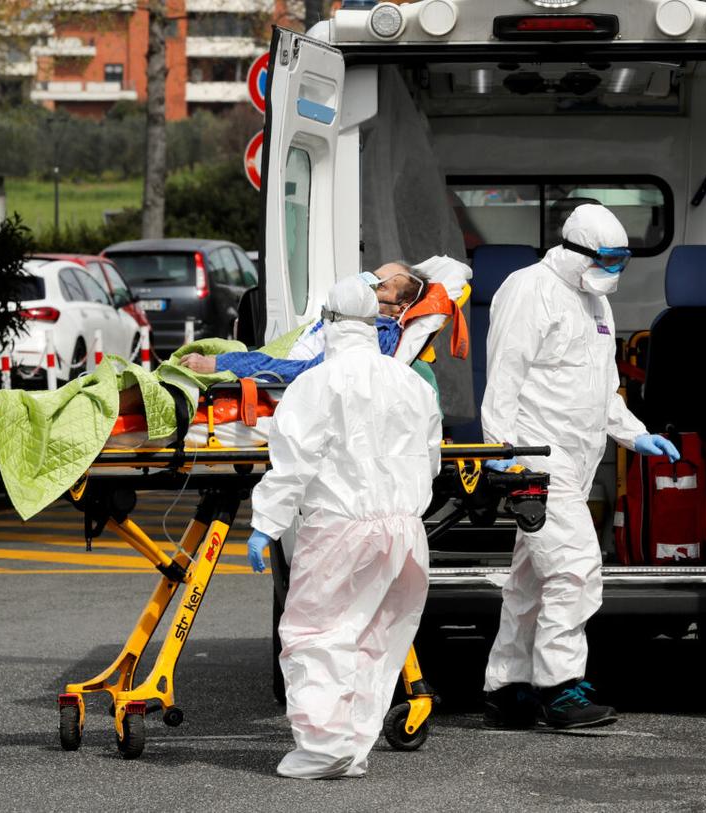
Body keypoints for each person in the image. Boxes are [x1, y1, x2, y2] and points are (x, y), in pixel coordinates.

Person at [480, 204, 679, 731]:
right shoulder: (529, 289)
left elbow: (600, 387)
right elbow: (503, 378)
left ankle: (507, 688)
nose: (615, 269)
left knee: (529, 582)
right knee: (574, 570)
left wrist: (636, 434)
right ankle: (561, 687)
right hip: (536, 460)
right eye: (608, 258)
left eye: (622, 260)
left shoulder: (594, 302)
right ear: (575, 249)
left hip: (576, 460)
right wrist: (504, 458)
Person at [245, 275, 442, 779]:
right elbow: (433, 458)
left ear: (328, 323)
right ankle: (351, 747)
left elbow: (291, 465)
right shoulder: (411, 382)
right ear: (375, 323)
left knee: (317, 633)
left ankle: (322, 749)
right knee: (376, 638)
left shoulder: (316, 383)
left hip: (342, 529)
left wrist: (265, 525)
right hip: (406, 531)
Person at [176, 261, 425, 380]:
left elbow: (308, 373)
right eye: (371, 277)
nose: (367, 286)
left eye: (380, 286)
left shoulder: (376, 335)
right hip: (269, 367)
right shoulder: (355, 321)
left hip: (274, 382)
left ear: (401, 307)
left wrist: (222, 364)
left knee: (172, 381)